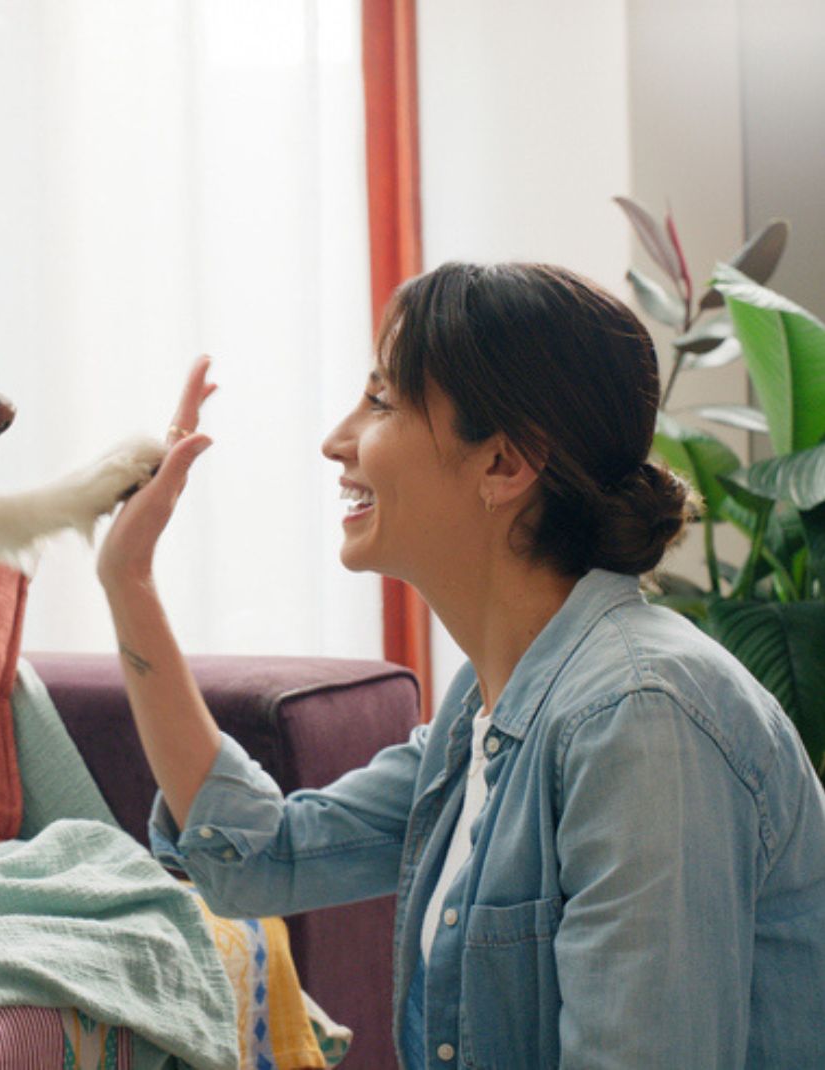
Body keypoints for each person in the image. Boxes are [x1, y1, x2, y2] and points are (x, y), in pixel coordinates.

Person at [95, 262, 825, 1068]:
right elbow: (262, 858)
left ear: (504, 465)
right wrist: (127, 580)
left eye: (379, 402)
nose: (336, 440)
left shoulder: (640, 717)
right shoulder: (489, 714)